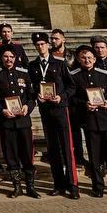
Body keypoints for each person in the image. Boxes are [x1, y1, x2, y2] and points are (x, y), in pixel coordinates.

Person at [67, 45, 107, 198]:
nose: (86, 60)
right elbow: (72, 98)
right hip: (90, 121)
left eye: (89, 58)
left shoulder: (104, 74)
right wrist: (84, 104)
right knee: (94, 157)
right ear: (79, 60)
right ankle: (98, 186)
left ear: (94, 59)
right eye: (83, 58)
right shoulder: (74, 76)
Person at [29, 31, 78, 199]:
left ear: (47, 45)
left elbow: (72, 87)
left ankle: (72, 185)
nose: (40, 47)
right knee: (53, 148)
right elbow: (32, 87)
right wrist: (37, 95)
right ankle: (59, 184)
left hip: (60, 109)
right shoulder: (33, 65)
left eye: (42, 44)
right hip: (45, 110)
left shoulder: (59, 63)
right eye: (37, 45)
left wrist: (61, 97)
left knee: (66, 147)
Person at [0, 43, 38, 198]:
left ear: (15, 58)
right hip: (7, 121)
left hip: (23, 121)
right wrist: (1, 110)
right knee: (11, 155)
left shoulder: (24, 73)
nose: (8, 59)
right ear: (1, 58)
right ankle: (17, 187)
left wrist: (27, 107)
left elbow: (31, 96)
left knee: (27, 154)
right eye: (5, 57)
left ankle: (30, 187)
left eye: (11, 57)